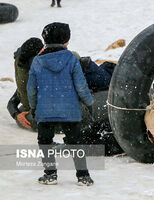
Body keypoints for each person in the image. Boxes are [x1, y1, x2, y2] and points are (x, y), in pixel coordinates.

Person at [27, 22, 94, 186]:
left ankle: (50, 174)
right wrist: (89, 102)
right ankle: (83, 176)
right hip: (69, 110)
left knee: (45, 141)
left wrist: (33, 107)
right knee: (75, 141)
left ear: (45, 40)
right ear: (66, 41)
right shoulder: (71, 59)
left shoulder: (37, 61)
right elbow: (80, 85)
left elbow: (31, 88)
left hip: (45, 110)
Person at [7, 38, 44, 129]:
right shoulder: (36, 73)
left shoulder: (23, 72)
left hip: (28, 117)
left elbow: (11, 103)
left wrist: (16, 115)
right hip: (43, 120)